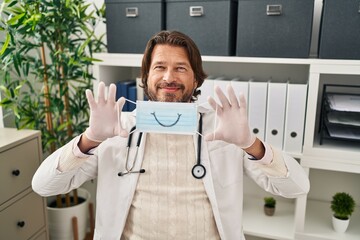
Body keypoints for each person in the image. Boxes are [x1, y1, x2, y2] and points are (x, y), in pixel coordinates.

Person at [32, 30, 310, 240]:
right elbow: (44, 186)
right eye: (160, 67)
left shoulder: (224, 129)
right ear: (146, 76)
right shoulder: (115, 128)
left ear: (196, 79)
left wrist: (251, 144)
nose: (169, 77)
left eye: (181, 68)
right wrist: (90, 138)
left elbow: (297, 187)